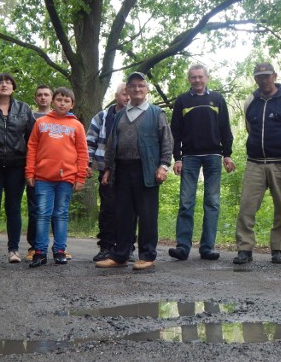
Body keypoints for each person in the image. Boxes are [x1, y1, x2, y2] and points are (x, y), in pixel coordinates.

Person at [95, 72, 173, 271]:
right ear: (127, 91)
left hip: (147, 171)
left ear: (146, 90)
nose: (137, 89)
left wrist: (163, 166)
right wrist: (108, 169)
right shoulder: (120, 114)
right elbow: (112, 144)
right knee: (122, 214)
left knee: (147, 215)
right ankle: (120, 255)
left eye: (141, 86)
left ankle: (147, 255)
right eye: (133, 86)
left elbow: (166, 141)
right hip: (122, 170)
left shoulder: (156, 113)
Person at [233, 63, 281, 266]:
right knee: (246, 206)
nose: (263, 80)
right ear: (255, 79)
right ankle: (244, 248)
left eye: (267, 76)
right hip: (255, 162)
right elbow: (249, 128)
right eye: (259, 77)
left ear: (274, 76)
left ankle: (279, 248)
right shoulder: (251, 101)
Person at [168, 64, 235, 261]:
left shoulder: (217, 99)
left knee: (212, 202)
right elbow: (175, 132)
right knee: (186, 202)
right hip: (189, 157)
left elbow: (225, 128)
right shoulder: (182, 100)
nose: (197, 80)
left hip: (214, 156)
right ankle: (182, 246)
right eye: (193, 77)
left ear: (207, 77)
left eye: (200, 77)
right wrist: (177, 158)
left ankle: (207, 247)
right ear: (189, 79)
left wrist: (227, 154)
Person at [25, 87, 89, 268]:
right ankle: (39, 252)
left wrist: (80, 177)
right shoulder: (41, 122)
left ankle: (60, 250)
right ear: (53, 101)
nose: (62, 103)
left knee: (60, 214)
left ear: (72, 104)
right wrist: (30, 172)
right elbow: (32, 148)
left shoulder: (76, 125)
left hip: (66, 178)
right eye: (59, 99)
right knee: (42, 214)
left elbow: (83, 153)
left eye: (66, 101)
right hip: (43, 178)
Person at [0, 73, 35, 265]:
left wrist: (31, 167)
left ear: (13, 87)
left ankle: (13, 250)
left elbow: (33, 140)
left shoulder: (24, 109)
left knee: (13, 208)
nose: (4, 85)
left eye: (8, 82)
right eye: (0, 82)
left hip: (17, 166)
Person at [86, 83, 131, 261]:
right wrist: (88, 164)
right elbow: (90, 141)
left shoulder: (136, 116)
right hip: (106, 169)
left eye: (129, 94)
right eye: (123, 94)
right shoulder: (102, 116)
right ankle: (105, 246)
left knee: (128, 210)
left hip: (129, 169)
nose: (127, 97)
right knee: (107, 209)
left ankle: (128, 247)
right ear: (116, 95)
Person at [25, 84, 54, 260]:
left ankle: (58, 247)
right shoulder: (29, 117)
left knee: (56, 210)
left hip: (56, 171)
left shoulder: (60, 117)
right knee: (35, 208)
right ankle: (34, 246)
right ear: (35, 98)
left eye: (46, 95)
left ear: (52, 98)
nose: (43, 98)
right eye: (40, 95)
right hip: (34, 169)